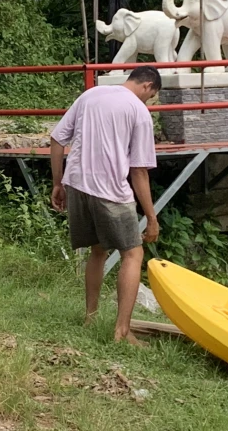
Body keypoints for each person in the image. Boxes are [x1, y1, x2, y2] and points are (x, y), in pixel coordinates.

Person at [48, 66, 162, 345]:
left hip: (77, 182)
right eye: (153, 96)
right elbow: (139, 170)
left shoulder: (90, 95)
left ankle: (91, 318)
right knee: (133, 254)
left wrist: (57, 183)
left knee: (97, 250)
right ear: (148, 85)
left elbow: (57, 138)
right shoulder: (138, 110)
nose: (150, 101)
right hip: (109, 189)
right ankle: (122, 332)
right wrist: (151, 217)